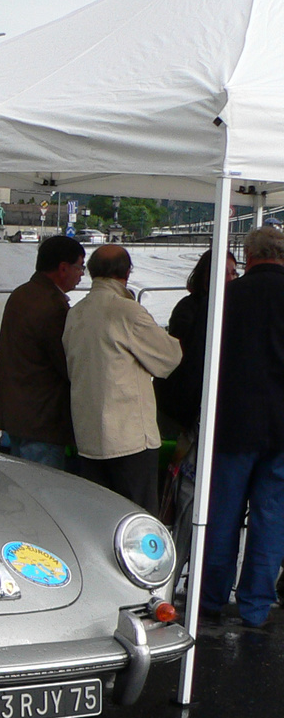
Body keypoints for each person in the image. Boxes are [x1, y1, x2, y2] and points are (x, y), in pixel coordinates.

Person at [200, 226, 284, 627]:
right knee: (272, 517)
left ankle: (212, 599)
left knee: (223, 514)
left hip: (233, 424)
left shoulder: (227, 298)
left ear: (248, 256)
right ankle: (255, 607)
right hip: (282, 429)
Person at [62, 245, 182, 511]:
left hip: (87, 435)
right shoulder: (128, 311)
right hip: (129, 438)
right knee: (136, 518)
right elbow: (169, 358)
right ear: (127, 272)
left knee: (99, 517)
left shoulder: (76, 312)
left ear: (92, 272)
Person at [0, 235, 87, 468]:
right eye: (79, 267)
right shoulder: (52, 306)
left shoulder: (22, 294)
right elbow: (66, 364)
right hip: (41, 420)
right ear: (63, 268)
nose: (81, 274)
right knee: (41, 493)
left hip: (14, 414)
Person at [156, 247, 238, 435]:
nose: (231, 278)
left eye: (234, 272)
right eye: (223, 272)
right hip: (185, 401)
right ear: (206, 276)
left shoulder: (234, 306)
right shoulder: (188, 308)